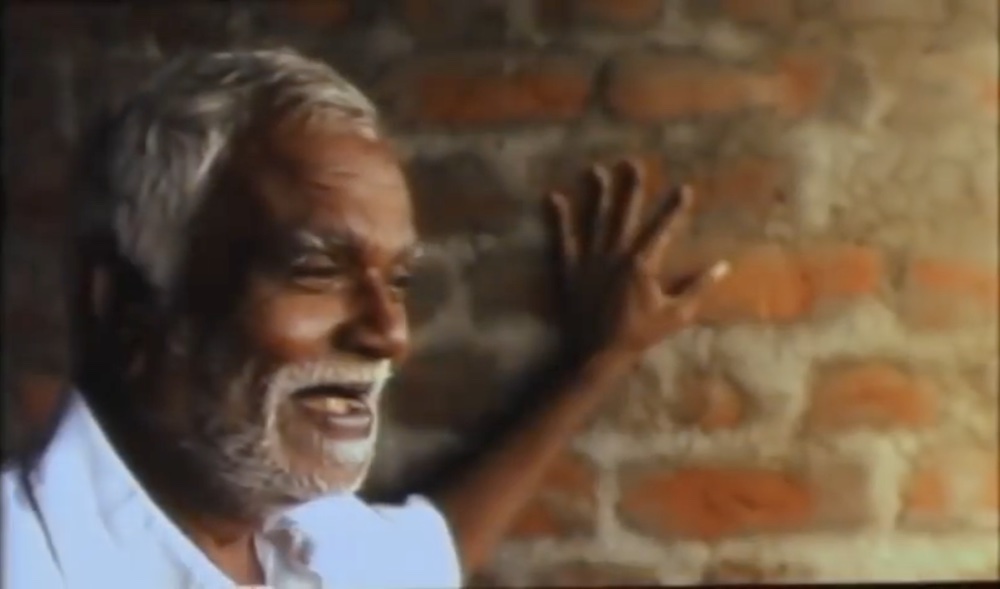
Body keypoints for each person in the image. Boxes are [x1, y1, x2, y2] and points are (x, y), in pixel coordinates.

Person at [2, 48, 727, 589]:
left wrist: (598, 362)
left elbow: (439, 547)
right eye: (316, 268)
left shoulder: (308, 537)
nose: (390, 336)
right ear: (127, 307)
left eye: (399, 280)